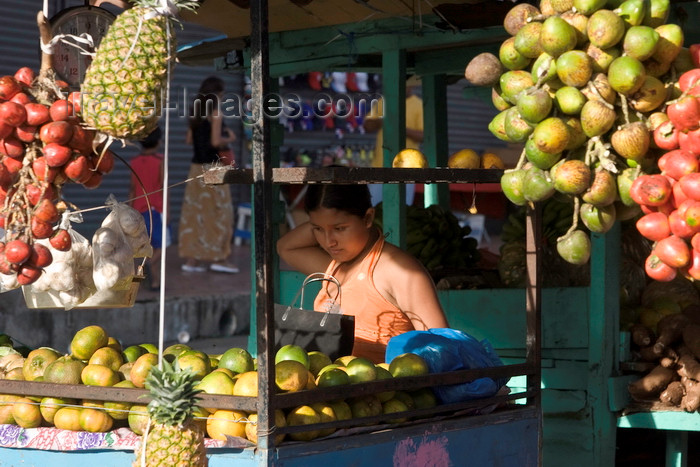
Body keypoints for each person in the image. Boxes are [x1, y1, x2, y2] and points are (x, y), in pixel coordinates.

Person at [276, 183, 448, 363]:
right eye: (317, 229)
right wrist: (328, 223)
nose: (329, 242)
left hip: (386, 389)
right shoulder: (333, 266)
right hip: (331, 384)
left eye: (340, 228)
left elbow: (442, 351)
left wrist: (324, 224)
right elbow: (285, 247)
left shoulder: (400, 272)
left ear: (368, 218)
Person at [178, 76, 239, 274]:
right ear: (217, 94)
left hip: (196, 169)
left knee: (195, 214)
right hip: (214, 170)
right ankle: (220, 258)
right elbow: (215, 141)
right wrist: (229, 137)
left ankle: (191, 261)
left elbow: (188, 140)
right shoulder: (216, 113)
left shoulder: (195, 112)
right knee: (221, 213)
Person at [363, 76, 424, 205]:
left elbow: (423, 136)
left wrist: (399, 127)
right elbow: (367, 126)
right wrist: (382, 121)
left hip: (407, 169)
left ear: (412, 86)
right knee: (371, 206)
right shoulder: (383, 102)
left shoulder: (418, 105)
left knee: (403, 208)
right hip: (380, 166)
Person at [128, 126, 171, 291]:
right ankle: (149, 270)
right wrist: (168, 212)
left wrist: (131, 210)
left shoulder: (134, 162)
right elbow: (163, 188)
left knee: (146, 245)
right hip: (157, 209)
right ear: (159, 142)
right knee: (162, 246)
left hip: (139, 210)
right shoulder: (160, 161)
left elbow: (132, 188)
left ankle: (153, 278)